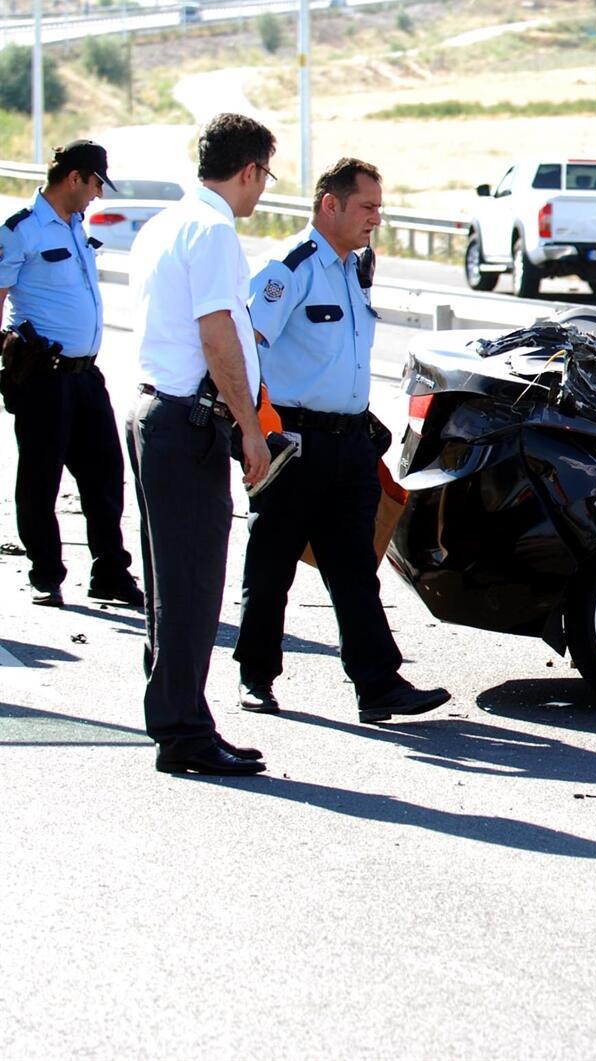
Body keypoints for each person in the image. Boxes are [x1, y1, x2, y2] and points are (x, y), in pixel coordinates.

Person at [234, 157, 450, 722]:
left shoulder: (352, 268)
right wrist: (254, 434)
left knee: (354, 567)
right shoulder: (291, 267)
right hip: (295, 441)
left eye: (380, 206)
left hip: (349, 444)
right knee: (272, 564)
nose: (376, 217)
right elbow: (244, 347)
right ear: (330, 204)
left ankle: (377, 686)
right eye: (367, 206)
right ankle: (255, 677)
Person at [127, 113, 275, 776]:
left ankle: (181, 717)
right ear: (247, 170)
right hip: (188, 421)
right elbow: (215, 335)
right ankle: (183, 729)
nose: (263, 190)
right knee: (191, 588)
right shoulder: (215, 230)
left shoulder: (166, 222)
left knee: (170, 585)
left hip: (154, 410)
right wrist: (250, 429)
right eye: (264, 176)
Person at [0, 141, 142, 608]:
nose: (99, 194)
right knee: (40, 478)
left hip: (85, 375)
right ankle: (46, 571)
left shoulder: (76, 225)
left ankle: (109, 573)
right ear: (75, 177)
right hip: (43, 376)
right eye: (97, 183)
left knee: (105, 473)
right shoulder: (22, 229)